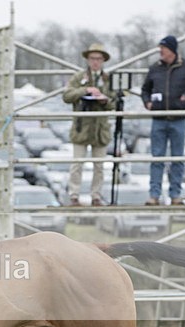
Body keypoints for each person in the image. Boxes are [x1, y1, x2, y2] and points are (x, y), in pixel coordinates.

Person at [141, 35, 185, 206]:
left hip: (179, 119)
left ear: (172, 50)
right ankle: (154, 195)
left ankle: (175, 195)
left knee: (177, 158)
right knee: (157, 158)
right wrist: (147, 102)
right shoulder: (155, 68)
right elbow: (145, 89)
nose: (160, 52)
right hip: (159, 119)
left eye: (163, 48)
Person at [62, 43, 116, 207]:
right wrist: (85, 91)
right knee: (77, 163)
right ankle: (74, 195)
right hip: (81, 127)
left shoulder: (107, 79)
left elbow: (115, 101)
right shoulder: (79, 77)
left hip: (100, 129)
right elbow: (67, 95)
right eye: (92, 58)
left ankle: (96, 196)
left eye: (98, 59)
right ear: (88, 59)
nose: (95, 62)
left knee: (99, 166)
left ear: (103, 61)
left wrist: (104, 98)